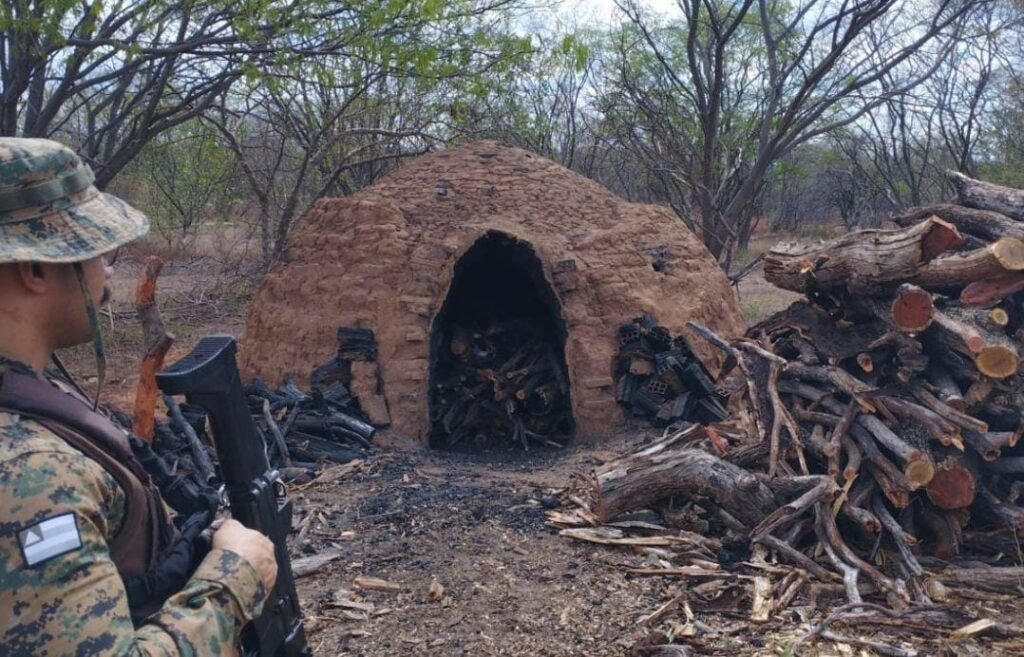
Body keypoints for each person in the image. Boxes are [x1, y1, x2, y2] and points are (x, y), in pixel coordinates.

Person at [0, 137, 278, 656]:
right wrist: (231, 583)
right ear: (35, 269)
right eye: (93, 250)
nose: (107, 269)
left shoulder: (32, 394)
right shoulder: (31, 470)